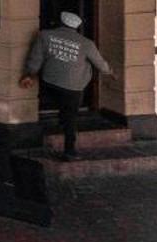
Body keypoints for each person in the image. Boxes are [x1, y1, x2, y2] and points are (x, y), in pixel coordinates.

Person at [21, 10, 112, 160]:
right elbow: (101, 65)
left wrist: (29, 75)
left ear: (60, 23)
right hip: (74, 87)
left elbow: (35, 58)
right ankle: (69, 151)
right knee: (71, 117)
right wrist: (110, 72)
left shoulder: (45, 35)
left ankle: (60, 119)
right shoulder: (86, 43)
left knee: (61, 106)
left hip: (50, 82)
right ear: (77, 27)